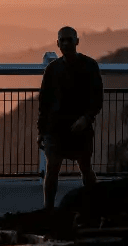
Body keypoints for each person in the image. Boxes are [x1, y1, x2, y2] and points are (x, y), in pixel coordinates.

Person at [38, 26, 103, 211]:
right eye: (62, 40)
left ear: (77, 41)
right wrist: (41, 131)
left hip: (80, 128)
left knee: (85, 168)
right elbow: (44, 102)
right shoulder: (52, 69)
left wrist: (86, 118)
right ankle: (48, 210)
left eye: (69, 39)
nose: (66, 43)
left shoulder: (90, 66)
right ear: (58, 43)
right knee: (52, 170)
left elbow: (97, 97)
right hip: (55, 129)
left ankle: (94, 207)